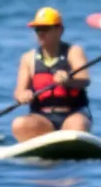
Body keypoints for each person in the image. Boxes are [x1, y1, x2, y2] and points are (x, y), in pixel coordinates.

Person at [11, 8, 91, 141]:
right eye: (37, 29)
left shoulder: (73, 52)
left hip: (72, 114)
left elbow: (84, 80)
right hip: (42, 117)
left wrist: (68, 80)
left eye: (45, 28)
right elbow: (18, 93)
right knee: (19, 124)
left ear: (60, 30)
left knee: (78, 126)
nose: (41, 33)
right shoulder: (28, 58)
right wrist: (23, 96)